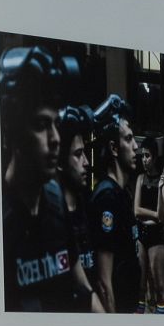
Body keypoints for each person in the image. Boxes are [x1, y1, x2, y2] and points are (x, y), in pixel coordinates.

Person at [0, 46, 103, 313]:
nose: (55, 138)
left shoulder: (55, 199)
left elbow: (85, 291)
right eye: (41, 125)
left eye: (55, 123)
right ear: (15, 134)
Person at [88, 94, 141, 313]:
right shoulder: (107, 197)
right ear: (114, 148)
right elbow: (103, 281)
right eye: (128, 139)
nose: (136, 146)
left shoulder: (122, 194)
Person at [58, 105, 98, 291]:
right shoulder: (55, 217)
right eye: (77, 154)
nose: (86, 162)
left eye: (84, 153)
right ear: (60, 163)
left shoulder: (87, 206)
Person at [134, 136, 164, 313]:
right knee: (140, 287)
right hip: (141, 235)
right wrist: (154, 214)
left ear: (154, 157)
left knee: (159, 287)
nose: (144, 160)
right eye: (142, 156)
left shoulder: (163, 181)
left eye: (147, 156)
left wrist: (156, 214)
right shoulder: (140, 178)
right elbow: (136, 211)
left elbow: (161, 217)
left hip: (156, 236)